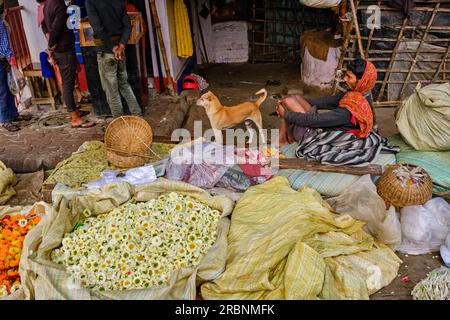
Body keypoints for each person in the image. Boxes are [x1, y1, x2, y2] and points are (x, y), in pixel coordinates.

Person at [276, 59, 377, 146]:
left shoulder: (351, 109)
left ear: (361, 81)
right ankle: (285, 138)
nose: (344, 79)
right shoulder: (357, 95)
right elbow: (325, 101)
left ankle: (283, 139)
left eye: (349, 77)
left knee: (289, 103)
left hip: (321, 138)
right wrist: (294, 102)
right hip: (325, 128)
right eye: (346, 75)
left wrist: (286, 114)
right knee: (292, 99)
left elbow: (317, 120)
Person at [85, 0, 143, 118]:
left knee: (112, 91)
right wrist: (121, 46)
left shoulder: (90, 2)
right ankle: (138, 115)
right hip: (119, 50)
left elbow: (98, 28)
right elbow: (127, 25)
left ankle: (119, 122)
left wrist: (113, 47)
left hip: (107, 51)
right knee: (124, 84)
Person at [42, 0, 94, 128]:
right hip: (63, 50)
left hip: (63, 49)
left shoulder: (48, 3)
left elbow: (45, 24)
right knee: (68, 84)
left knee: (69, 82)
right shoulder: (57, 4)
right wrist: (51, 45)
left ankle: (75, 111)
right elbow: (56, 27)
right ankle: (75, 118)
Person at [0, 1, 31, 132]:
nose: (3, 8)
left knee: (9, 87)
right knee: (1, 91)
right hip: (1, 58)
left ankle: (13, 114)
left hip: (4, 59)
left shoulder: (1, 21)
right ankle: (4, 120)